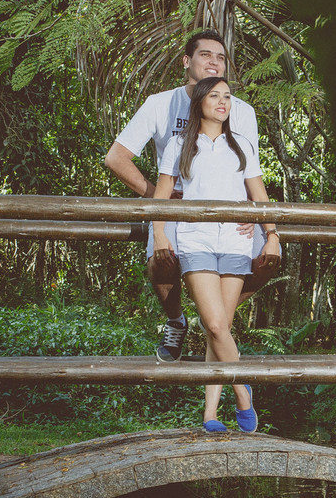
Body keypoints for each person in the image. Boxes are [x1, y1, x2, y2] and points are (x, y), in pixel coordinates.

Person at [104, 30, 281, 362]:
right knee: (161, 257)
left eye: (221, 57)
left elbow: (249, 171)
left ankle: (213, 315)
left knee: (269, 256)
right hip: (177, 205)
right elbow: (116, 158)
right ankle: (176, 320)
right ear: (187, 61)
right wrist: (159, 197)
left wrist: (251, 212)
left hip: (231, 209)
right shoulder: (160, 104)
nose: (214, 62)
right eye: (205, 55)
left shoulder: (241, 111)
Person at [152, 76, 281, 432]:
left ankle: (210, 414)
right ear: (199, 101)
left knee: (220, 327)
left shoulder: (242, 146)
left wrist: (271, 234)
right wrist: (160, 233)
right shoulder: (179, 144)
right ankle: (243, 393)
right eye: (214, 95)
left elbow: (259, 195)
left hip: (236, 242)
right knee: (214, 324)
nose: (223, 102)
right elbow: (161, 195)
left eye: (227, 96)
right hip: (196, 240)